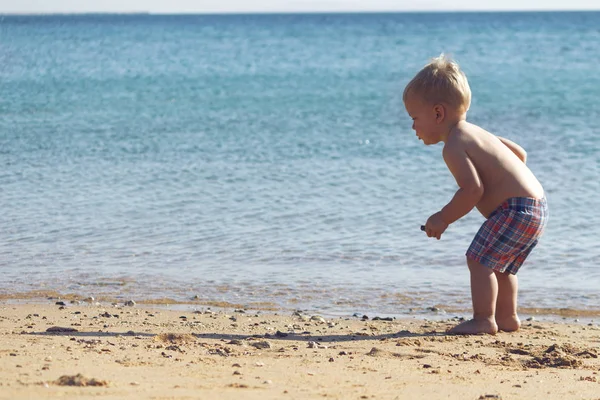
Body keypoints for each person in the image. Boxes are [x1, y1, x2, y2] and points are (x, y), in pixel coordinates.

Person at [403, 54, 548, 335]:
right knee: (501, 266)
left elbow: (473, 190)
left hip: (515, 209)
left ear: (437, 113)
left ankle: (484, 318)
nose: (413, 127)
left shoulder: (454, 144)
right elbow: (520, 153)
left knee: (479, 259)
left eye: (414, 118)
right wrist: (505, 177)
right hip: (538, 205)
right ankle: (508, 317)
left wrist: (442, 218)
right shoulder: (477, 132)